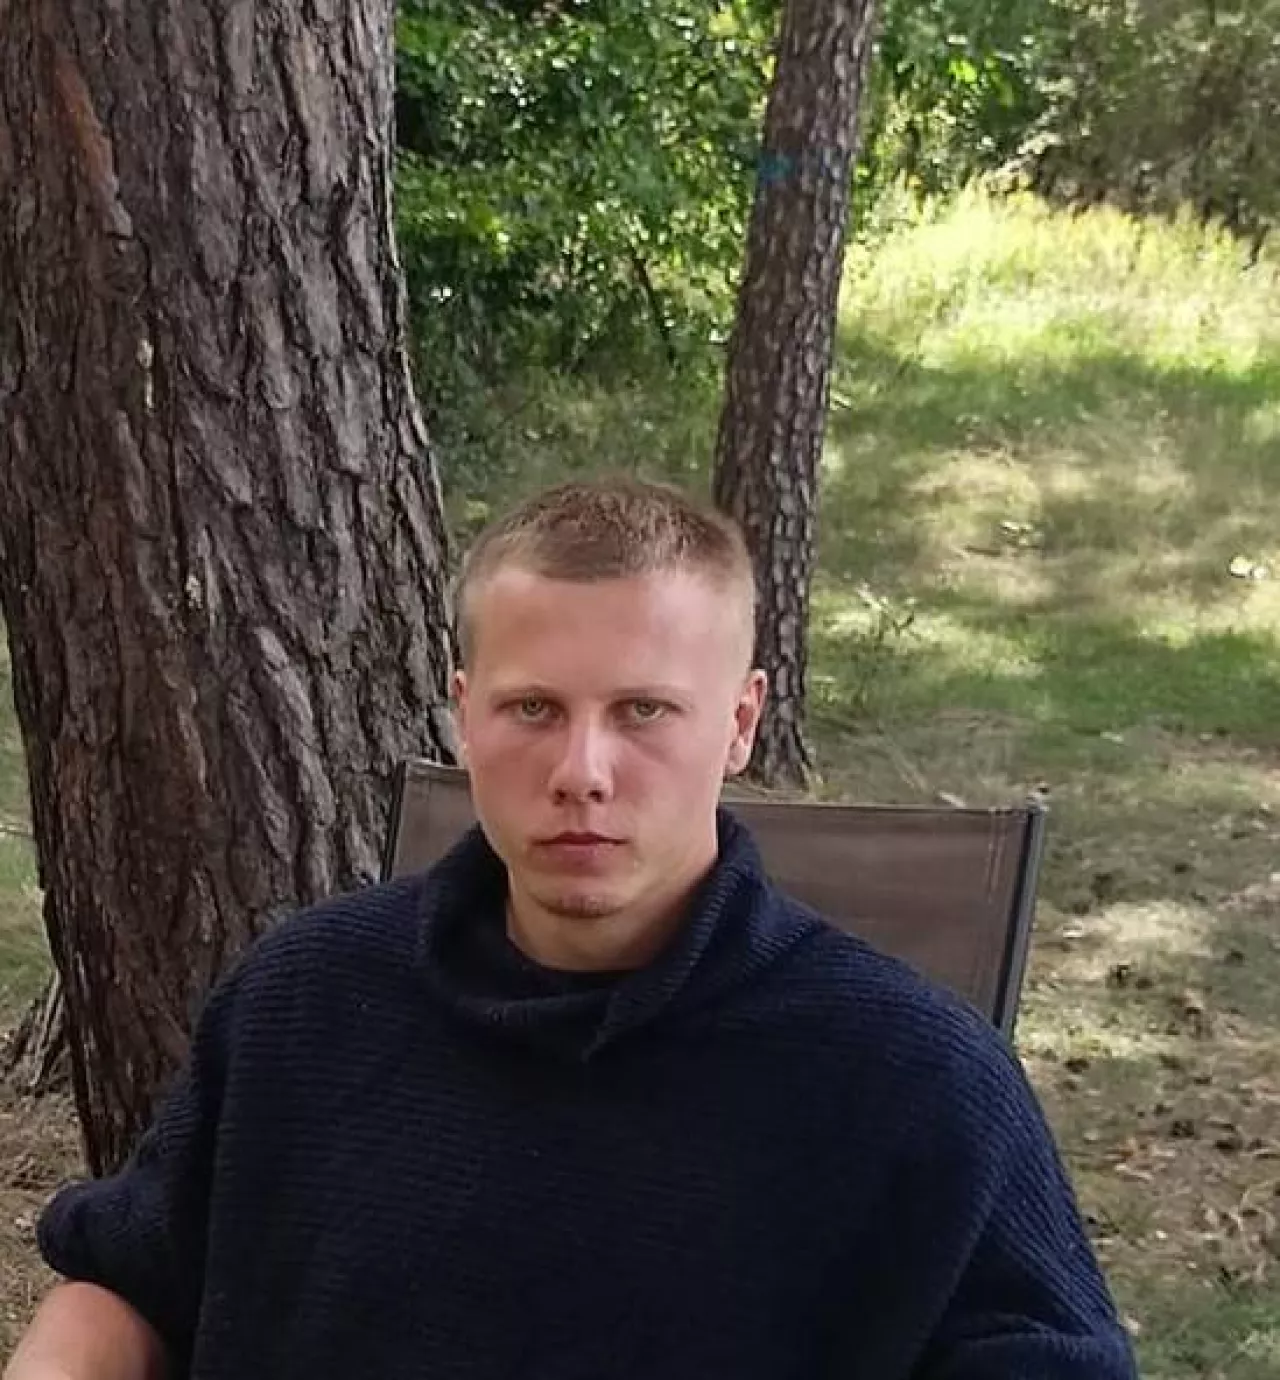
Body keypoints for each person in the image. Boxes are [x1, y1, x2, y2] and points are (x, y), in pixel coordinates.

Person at [6, 479, 1137, 1380]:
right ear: (465, 714)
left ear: (739, 722)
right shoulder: (304, 1000)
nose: (581, 772)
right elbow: (127, 1285)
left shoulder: (914, 1080)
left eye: (643, 710)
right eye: (533, 709)